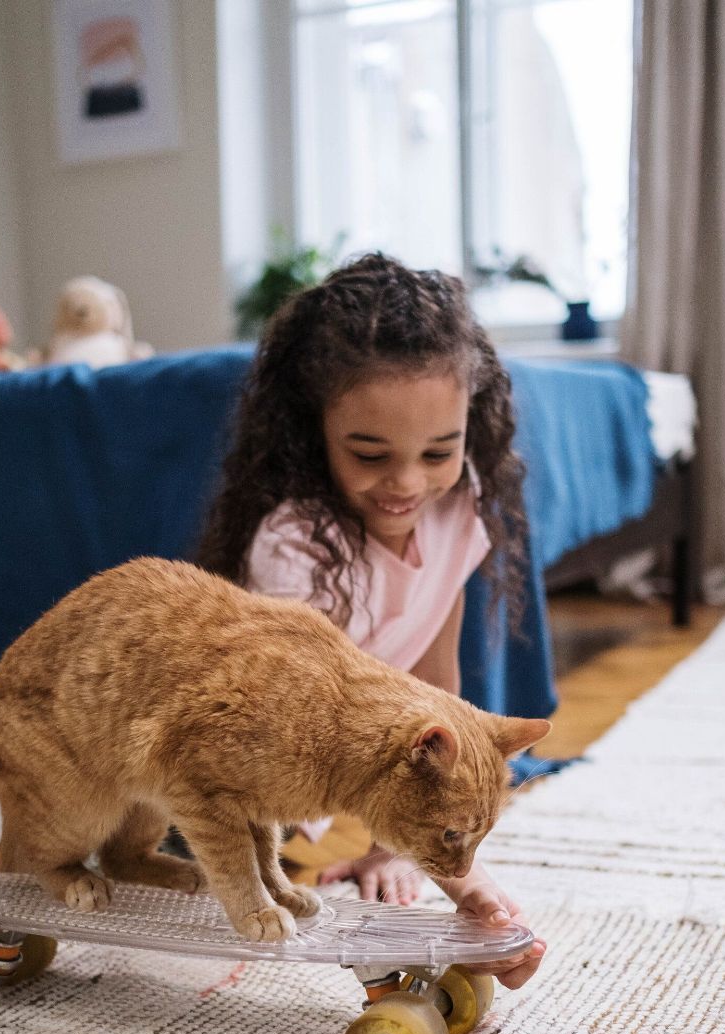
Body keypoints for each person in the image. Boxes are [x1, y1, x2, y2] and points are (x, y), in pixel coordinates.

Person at [196, 252, 545, 990]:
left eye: (437, 452)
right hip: (270, 788)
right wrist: (458, 880)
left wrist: (405, 852)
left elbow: (439, 686)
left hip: (368, 785)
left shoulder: (459, 508)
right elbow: (305, 756)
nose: (407, 483)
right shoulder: (293, 551)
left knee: (418, 851)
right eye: (370, 453)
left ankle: (412, 879)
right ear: (314, 428)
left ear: (467, 430)